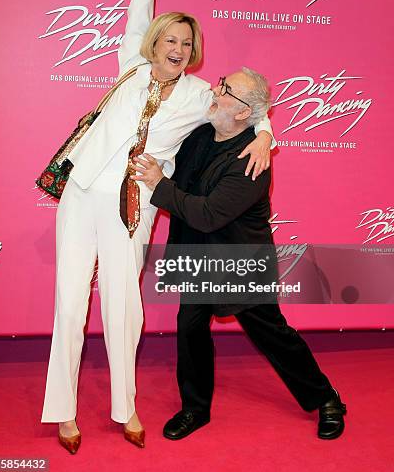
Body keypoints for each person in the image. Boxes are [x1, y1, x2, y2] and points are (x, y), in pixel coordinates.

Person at [41, 0, 274, 454]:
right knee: (69, 301)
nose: (176, 46)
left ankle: (126, 407)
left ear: (194, 52)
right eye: (169, 38)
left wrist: (265, 133)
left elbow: (248, 106)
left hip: (132, 206)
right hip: (80, 194)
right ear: (153, 42)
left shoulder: (198, 95)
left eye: (186, 42)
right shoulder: (130, 65)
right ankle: (63, 411)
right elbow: (139, 1)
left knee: (124, 305)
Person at [133, 68, 347, 441]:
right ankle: (195, 409)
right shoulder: (201, 134)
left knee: (271, 335)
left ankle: (325, 398)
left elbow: (207, 214)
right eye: (221, 82)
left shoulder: (252, 161)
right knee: (190, 329)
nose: (215, 90)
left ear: (244, 112)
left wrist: (158, 184)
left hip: (241, 262)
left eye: (226, 90)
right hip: (199, 257)